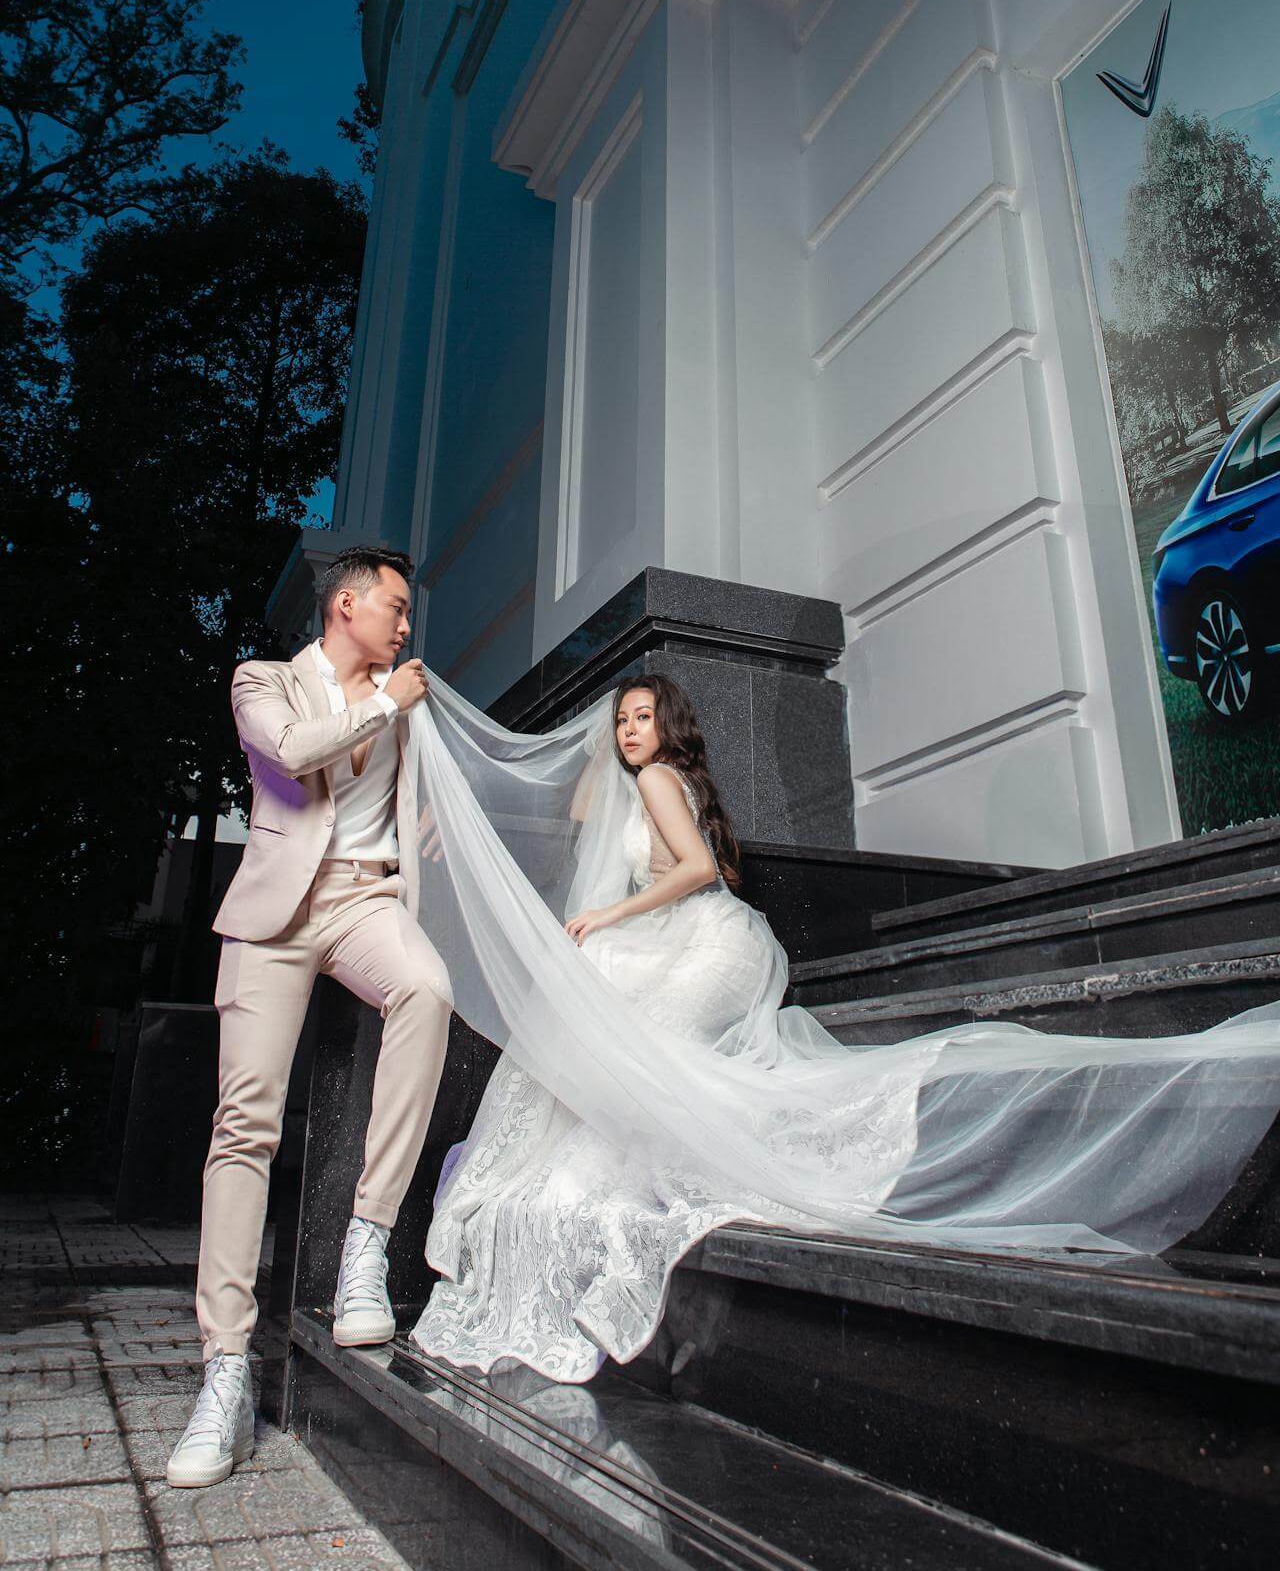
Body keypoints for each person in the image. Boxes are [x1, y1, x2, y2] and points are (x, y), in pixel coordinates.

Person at [401, 671, 1280, 1385]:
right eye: (621, 720)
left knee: (626, 1037)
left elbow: (700, 869)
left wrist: (609, 914)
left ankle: (661, 1166)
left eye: (641, 718)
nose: (629, 732)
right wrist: (497, 778)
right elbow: (570, 806)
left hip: (713, 942)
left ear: (669, 727)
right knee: (615, 1028)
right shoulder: (636, 784)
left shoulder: (662, 779)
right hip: (687, 939)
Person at [167, 545, 453, 1489]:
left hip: (366, 901)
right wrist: (384, 706)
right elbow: (291, 755)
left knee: (427, 990)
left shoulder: (405, 702)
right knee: (244, 1124)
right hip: (275, 915)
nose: (406, 625)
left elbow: (416, 799)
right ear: (346, 605)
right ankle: (224, 1371)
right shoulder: (264, 681)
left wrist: (427, 825)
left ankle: (366, 1245)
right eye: (395, 607)